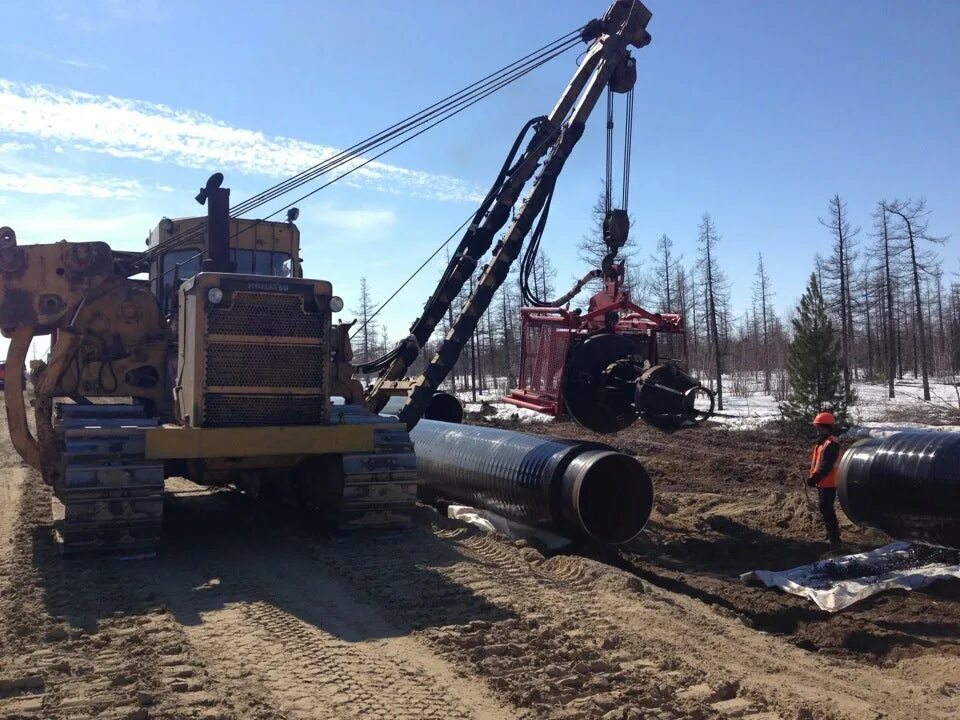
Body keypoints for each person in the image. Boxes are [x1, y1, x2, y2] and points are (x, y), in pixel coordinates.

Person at [806, 411, 842, 546]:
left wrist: (815, 478)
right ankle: (831, 535)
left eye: (818, 427)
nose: (816, 429)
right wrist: (816, 478)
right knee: (825, 508)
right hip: (823, 482)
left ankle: (834, 539)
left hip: (829, 482)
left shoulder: (831, 444)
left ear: (825, 427)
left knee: (826, 508)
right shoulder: (823, 443)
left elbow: (827, 465)